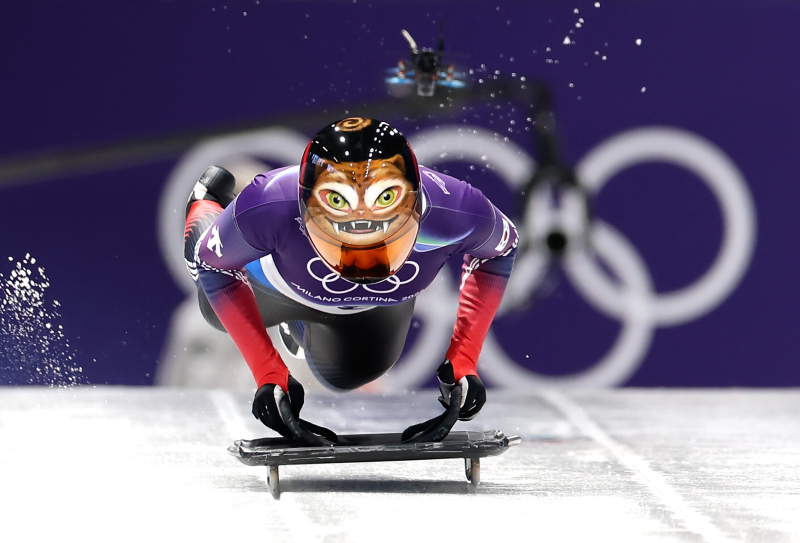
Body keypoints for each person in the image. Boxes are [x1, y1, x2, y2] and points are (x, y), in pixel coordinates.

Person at [183, 117, 517, 444]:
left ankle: (300, 325)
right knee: (212, 302)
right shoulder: (269, 204)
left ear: (417, 203)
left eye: (382, 224)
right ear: (304, 209)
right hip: (276, 287)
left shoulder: (457, 209)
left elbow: (501, 250)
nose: (362, 255)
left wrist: (464, 358)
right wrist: (266, 370)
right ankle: (205, 206)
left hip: (353, 306)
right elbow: (213, 265)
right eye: (342, 220)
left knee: (346, 376)